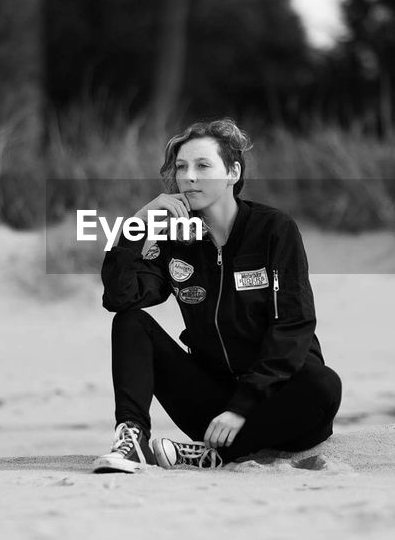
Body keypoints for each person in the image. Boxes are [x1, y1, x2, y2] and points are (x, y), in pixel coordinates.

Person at [94, 118, 342, 472]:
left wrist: (242, 407)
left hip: (282, 402)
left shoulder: (274, 230)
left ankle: (212, 456)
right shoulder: (174, 239)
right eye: (181, 167)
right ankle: (132, 438)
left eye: (203, 165)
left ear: (232, 172)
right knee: (130, 322)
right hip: (212, 413)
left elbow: (294, 324)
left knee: (324, 384)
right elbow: (121, 298)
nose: (189, 176)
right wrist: (137, 224)